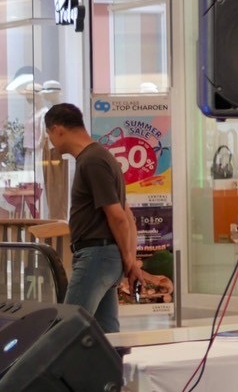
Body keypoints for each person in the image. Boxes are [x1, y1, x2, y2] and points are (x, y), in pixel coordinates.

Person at [44, 103, 171, 333]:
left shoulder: (92, 161)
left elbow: (119, 217)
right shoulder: (101, 157)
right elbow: (128, 216)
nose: (51, 141)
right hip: (105, 257)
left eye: (49, 134)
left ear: (58, 129)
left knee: (67, 328)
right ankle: (112, 369)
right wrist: (129, 260)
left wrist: (130, 262)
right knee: (107, 334)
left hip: (97, 257)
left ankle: (59, 371)